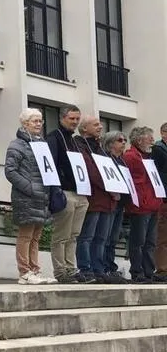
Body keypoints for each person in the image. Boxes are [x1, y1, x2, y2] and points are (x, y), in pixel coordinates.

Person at [4, 109, 54, 285]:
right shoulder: (17, 144)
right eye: (35, 121)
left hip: (41, 196)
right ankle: (24, 271)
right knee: (25, 235)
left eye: (40, 121)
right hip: (26, 196)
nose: (39, 124)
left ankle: (35, 269)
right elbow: (10, 171)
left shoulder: (42, 144)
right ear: (25, 123)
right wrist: (30, 188)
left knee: (36, 236)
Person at [46, 105, 88, 283]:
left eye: (77, 119)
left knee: (74, 235)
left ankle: (71, 269)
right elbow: (51, 165)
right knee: (61, 235)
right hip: (64, 191)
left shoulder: (75, 141)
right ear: (62, 118)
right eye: (72, 119)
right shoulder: (54, 137)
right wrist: (55, 191)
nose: (75, 122)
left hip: (80, 192)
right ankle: (60, 271)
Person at [123, 126, 162, 283]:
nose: (153, 140)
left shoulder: (148, 157)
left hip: (152, 204)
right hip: (141, 206)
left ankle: (148, 271)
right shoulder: (131, 157)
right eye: (149, 137)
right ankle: (137, 272)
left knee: (150, 242)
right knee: (138, 241)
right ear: (139, 140)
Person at [71, 116, 104, 283]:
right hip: (90, 196)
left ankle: (98, 269)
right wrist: (107, 183)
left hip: (101, 198)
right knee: (86, 236)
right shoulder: (80, 145)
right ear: (84, 129)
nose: (100, 126)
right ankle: (86, 268)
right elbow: (92, 170)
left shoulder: (98, 146)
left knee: (100, 237)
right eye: (96, 124)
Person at [100, 131, 129, 282]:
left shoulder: (122, 160)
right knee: (106, 236)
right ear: (111, 143)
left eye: (125, 140)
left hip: (121, 203)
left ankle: (111, 267)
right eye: (120, 140)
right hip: (110, 202)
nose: (123, 142)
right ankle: (104, 267)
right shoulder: (106, 159)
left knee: (113, 238)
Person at [151, 122, 167, 278]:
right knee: (162, 236)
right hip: (163, 199)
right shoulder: (158, 150)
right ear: (163, 133)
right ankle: (162, 269)